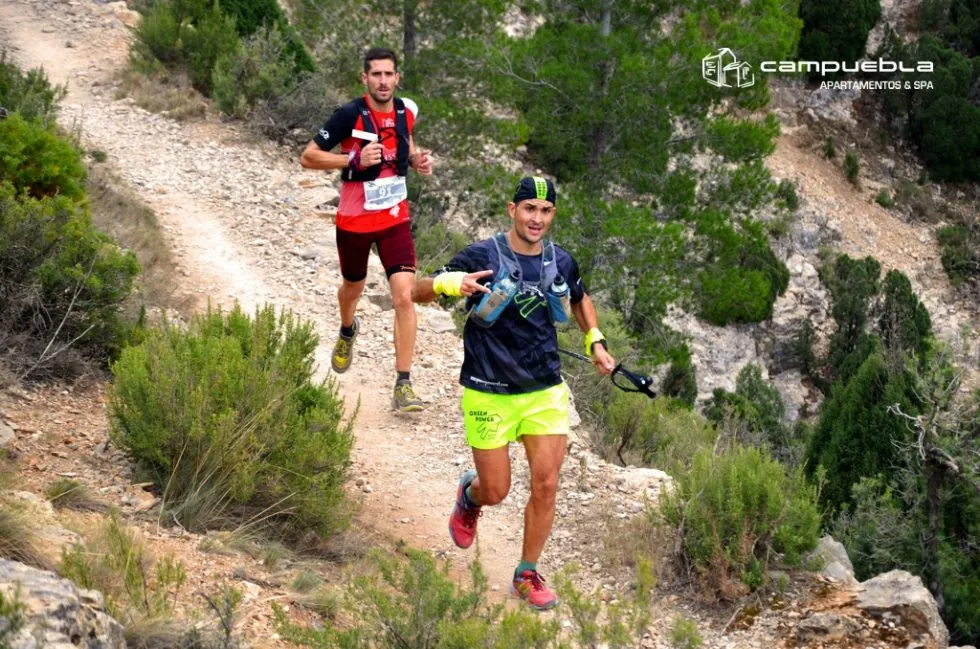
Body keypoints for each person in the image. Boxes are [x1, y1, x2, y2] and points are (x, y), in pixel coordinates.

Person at [412, 177, 616, 610]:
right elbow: (417, 290)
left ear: (552, 215)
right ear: (512, 209)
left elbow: (579, 299)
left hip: (544, 389)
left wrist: (595, 341)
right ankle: (471, 496)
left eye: (545, 211)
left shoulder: (561, 260)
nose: (536, 218)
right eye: (529, 209)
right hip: (488, 389)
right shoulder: (482, 255)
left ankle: (526, 571)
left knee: (546, 482)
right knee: (497, 489)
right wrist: (453, 284)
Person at [300, 47, 433, 412]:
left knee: (403, 297)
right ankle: (347, 330)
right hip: (355, 221)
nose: (383, 81)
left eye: (389, 74)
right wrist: (352, 159)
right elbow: (308, 156)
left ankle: (403, 383)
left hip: (395, 219)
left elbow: (404, 145)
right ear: (365, 78)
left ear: (397, 77)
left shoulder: (407, 110)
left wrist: (418, 160)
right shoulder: (348, 114)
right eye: (376, 74)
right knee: (352, 288)